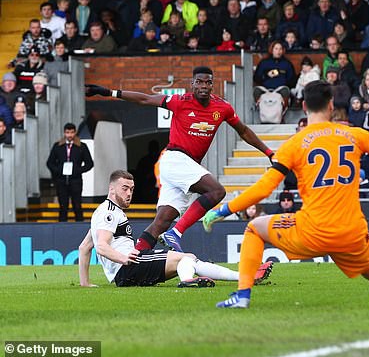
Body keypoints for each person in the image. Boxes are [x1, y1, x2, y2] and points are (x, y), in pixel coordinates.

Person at [202, 80, 369, 309]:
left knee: (255, 228)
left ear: (303, 106)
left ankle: (242, 296)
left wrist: (224, 209)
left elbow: (264, 189)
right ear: (331, 104)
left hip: (313, 231)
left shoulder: (294, 144)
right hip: (351, 233)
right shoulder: (353, 135)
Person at [85, 66, 274, 254]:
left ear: (212, 85)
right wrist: (109, 92)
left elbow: (243, 131)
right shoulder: (179, 101)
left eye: (208, 82)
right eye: (199, 82)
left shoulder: (222, 108)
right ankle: (176, 233)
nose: (203, 86)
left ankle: (133, 261)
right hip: (175, 159)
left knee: (161, 222)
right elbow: (145, 98)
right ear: (192, 84)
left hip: (187, 166)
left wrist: (269, 152)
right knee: (216, 191)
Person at [78, 170, 273, 288]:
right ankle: (188, 281)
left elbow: (85, 247)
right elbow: (101, 246)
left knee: (189, 259)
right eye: (124, 189)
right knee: (186, 258)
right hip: (128, 267)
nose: (129, 193)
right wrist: (125, 259)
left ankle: (244, 277)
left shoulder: (104, 212)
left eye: (131, 189)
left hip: (127, 270)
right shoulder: (109, 212)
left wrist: (85, 283)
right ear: (112, 189)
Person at [46, 123, 94, 222]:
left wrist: (77, 170)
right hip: (61, 181)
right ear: (64, 133)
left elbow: (89, 163)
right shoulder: (58, 146)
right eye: (67, 132)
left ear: (75, 132)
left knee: (77, 206)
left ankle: (79, 227)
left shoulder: (81, 146)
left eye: (72, 132)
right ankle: (62, 228)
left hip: (75, 180)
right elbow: (50, 163)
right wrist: (59, 171)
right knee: (63, 207)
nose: (70, 135)